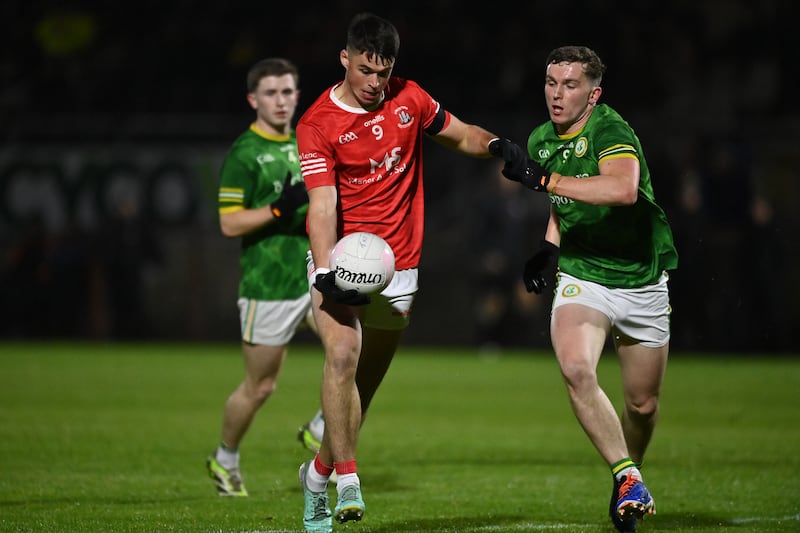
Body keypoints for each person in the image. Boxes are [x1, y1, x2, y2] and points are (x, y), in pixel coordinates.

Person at [294, 12, 522, 533]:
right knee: (342, 353)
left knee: (363, 388)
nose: (375, 83)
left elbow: (460, 133)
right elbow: (322, 206)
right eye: (366, 70)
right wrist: (326, 269)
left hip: (399, 268)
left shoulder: (410, 99)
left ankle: (317, 474)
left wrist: (495, 147)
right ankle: (347, 483)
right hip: (344, 262)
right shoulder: (316, 124)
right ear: (345, 59)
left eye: (384, 71)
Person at [492, 46, 678, 532]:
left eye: (570, 85)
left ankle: (628, 476)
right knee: (576, 368)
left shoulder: (610, 130)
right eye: (551, 83)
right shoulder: (541, 139)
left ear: (593, 94)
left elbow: (622, 190)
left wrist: (547, 178)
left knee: (642, 405)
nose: (557, 94)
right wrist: (550, 246)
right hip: (583, 275)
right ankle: (626, 474)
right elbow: (563, 196)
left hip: (640, 280)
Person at [206, 57, 326, 497]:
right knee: (261, 386)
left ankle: (320, 426)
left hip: (313, 273)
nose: (281, 100)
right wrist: (277, 209)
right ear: (254, 99)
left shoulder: (305, 141)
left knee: (356, 348)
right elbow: (229, 223)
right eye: (272, 93)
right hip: (267, 285)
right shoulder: (243, 154)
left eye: (288, 91)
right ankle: (226, 457)